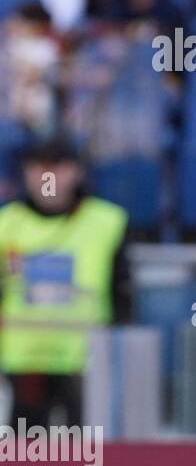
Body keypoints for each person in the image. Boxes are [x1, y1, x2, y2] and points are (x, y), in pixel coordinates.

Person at [0, 134, 130, 427]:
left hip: (84, 361)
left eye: (57, 166)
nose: (48, 175)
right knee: (27, 455)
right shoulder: (6, 224)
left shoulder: (106, 222)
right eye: (39, 166)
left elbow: (123, 293)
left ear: (76, 171)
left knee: (87, 458)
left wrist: (118, 351)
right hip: (26, 361)